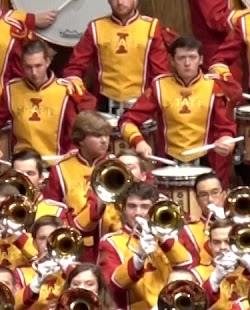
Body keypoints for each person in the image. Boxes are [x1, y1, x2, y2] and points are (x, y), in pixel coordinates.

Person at [120, 36, 240, 182]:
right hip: (168, 162)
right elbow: (127, 121)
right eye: (181, 58)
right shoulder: (159, 86)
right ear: (171, 60)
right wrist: (139, 142)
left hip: (206, 163)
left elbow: (226, 126)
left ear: (201, 60)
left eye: (192, 57)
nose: (187, 63)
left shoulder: (214, 86)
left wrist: (226, 139)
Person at [0, 40, 83, 162]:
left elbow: (76, 133)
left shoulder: (66, 90)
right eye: (28, 67)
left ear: (48, 62)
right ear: (22, 65)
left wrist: (72, 152)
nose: (34, 73)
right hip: (22, 165)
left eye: (38, 66)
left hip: (56, 164)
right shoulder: (12, 90)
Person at [61, 0, 173, 111]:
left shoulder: (151, 27)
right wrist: (76, 84)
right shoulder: (96, 27)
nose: (120, 2)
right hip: (103, 103)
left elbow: (160, 73)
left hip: (141, 105)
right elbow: (74, 67)